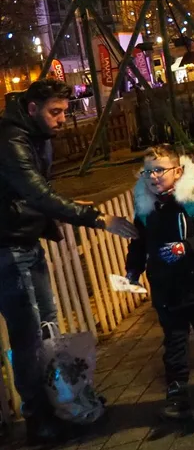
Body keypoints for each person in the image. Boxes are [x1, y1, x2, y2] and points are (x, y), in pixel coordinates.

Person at [0, 79, 136, 443]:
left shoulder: (33, 135)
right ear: (32, 109)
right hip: (9, 248)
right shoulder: (12, 140)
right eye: (54, 112)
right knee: (29, 337)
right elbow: (37, 193)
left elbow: (39, 193)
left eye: (65, 111)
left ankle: (60, 403)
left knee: (48, 329)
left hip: (24, 241)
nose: (62, 119)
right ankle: (37, 418)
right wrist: (97, 218)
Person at [125, 145, 194, 419]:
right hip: (166, 288)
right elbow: (138, 244)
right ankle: (177, 391)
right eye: (148, 172)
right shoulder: (146, 208)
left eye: (160, 170)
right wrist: (132, 271)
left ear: (178, 171)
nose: (154, 176)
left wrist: (188, 246)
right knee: (174, 340)